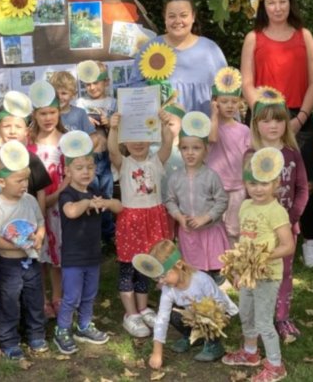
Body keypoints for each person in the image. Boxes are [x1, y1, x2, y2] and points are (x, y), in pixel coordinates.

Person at [240, 0, 313, 270]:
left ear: (290, 3)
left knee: (305, 181)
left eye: (283, 1)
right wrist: (262, 116)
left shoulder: (304, 35)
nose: (277, 7)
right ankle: (264, 234)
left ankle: (309, 238)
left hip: (300, 115)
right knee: (265, 179)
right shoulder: (254, 38)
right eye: (271, 2)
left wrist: (299, 119)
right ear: (263, 5)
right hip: (265, 117)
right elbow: (247, 82)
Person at [221, 149, 295, 382]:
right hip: (246, 273)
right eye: (252, 183)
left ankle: (275, 365)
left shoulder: (276, 211)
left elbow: (288, 246)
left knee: (263, 320)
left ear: (275, 182)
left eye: (264, 183)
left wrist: (262, 257)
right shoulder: (245, 206)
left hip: (267, 274)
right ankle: (251, 353)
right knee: (246, 313)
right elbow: (244, 240)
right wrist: (237, 265)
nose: (258, 188)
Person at [245, 93, 309, 344]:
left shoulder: (292, 154)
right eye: (266, 121)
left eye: (279, 120)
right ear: (256, 124)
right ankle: (260, 317)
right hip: (258, 230)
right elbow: (246, 192)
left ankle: (282, 317)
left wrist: (291, 218)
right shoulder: (251, 155)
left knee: (283, 272)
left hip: (285, 229)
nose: (273, 126)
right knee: (259, 272)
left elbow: (303, 189)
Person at [107, 109, 174, 338]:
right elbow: (112, 150)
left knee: (147, 267)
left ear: (150, 138)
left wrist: (165, 125)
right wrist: (114, 128)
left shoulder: (156, 162)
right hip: (131, 222)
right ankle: (131, 314)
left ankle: (144, 308)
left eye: (142, 137)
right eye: (132, 138)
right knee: (128, 267)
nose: (137, 143)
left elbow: (168, 144)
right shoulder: (123, 164)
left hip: (152, 220)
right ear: (125, 141)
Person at [53, 133, 122, 354]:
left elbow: (119, 207)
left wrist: (106, 202)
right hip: (73, 258)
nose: (86, 172)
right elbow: (71, 212)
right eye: (80, 167)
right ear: (68, 171)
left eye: (90, 167)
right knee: (72, 296)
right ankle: (62, 329)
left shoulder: (95, 191)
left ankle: (83, 326)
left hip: (93, 255)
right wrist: (87, 203)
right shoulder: (68, 194)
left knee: (90, 294)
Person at [0, 142, 48, 360]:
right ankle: (9, 340)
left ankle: (36, 333)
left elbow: (40, 222)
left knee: (35, 298)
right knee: (9, 301)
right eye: (19, 180)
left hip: (31, 262)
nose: (25, 184)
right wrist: (16, 245)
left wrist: (38, 237)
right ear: (1, 182)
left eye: (26, 179)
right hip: (9, 265)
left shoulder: (29, 201)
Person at [144, 239, 239, 369]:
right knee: (173, 314)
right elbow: (162, 317)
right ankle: (193, 337)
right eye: (157, 278)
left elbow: (220, 305)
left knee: (207, 315)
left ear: (178, 265)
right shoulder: (168, 288)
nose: (161, 281)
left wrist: (206, 316)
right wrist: (157, 352)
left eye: (163, 276)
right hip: (195, 316)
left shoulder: (201, 279)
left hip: (219, 313)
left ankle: (214, 345)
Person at [134, 0, 228, 115]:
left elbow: (227, 91)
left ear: (193, 17)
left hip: (205, 127)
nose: (178, 21)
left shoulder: (210, 50)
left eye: (183, 15)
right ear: (165, 18)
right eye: (172, 16)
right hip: (164, 126)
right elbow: (134, 87)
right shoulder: (151, 49)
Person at [166, 111, 229, 283]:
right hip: (189, 233)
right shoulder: (175, 178)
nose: (190, 153)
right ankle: (199, 301)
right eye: (185, 148)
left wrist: (206, 217)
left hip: (210, 231)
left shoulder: (211, 176)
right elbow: (170, 200)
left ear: (206, 150)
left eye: (196, 148)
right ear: (179, 149)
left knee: (217, 272)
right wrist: (178, 216)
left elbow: (222, 200)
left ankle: (217, 295)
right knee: (195, 273)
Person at [28, 88, 66, 319]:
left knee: (58, 255)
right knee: (39, 254)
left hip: (60, 208)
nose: (48, 118)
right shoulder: (28, 143)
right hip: (36, 207)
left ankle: (58, 296)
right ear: (35, 115)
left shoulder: (66, 141)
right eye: (43, 113)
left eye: (52, 112)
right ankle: (41, 299)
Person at [206, 68, 251, 247]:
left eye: (234, 101)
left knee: (233, 229)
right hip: (215, 188)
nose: (230, 106)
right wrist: (214, 115)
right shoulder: (210, 127)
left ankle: (232, 265)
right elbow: (212, 138)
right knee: (214, 226)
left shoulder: (244, 130)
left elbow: (248, 159)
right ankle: (216, 262)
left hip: (237, 187)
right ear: (215, 102)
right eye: (224, 102)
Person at [76, 61, 118, 243]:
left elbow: (120, 130)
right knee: (90, 193)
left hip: (107, 156)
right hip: (89, 157)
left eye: (96, 82)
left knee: (106, 194)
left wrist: (108, 124)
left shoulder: (113, 103)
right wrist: (86, 123)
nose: (92, 87)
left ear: (106, 82)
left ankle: (108, 234)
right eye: (88, 84)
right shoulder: (80, 103)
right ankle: (93, 234)